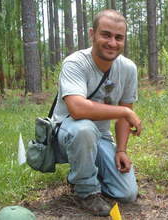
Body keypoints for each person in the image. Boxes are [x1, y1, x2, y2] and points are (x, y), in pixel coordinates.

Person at [52, 9, 142, 216]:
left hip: (100, 137)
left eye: (119, 37)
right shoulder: (75, 63)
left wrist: (121, 150)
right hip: (66, 133)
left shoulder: (128, 69)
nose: (112, 43)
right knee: (84, 129)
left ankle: (84, 171)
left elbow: (124, 115)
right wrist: (123, 112)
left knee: (126, 193)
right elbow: (77, 109)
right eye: (106, 35)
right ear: (92, 34)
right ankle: (86, 191)